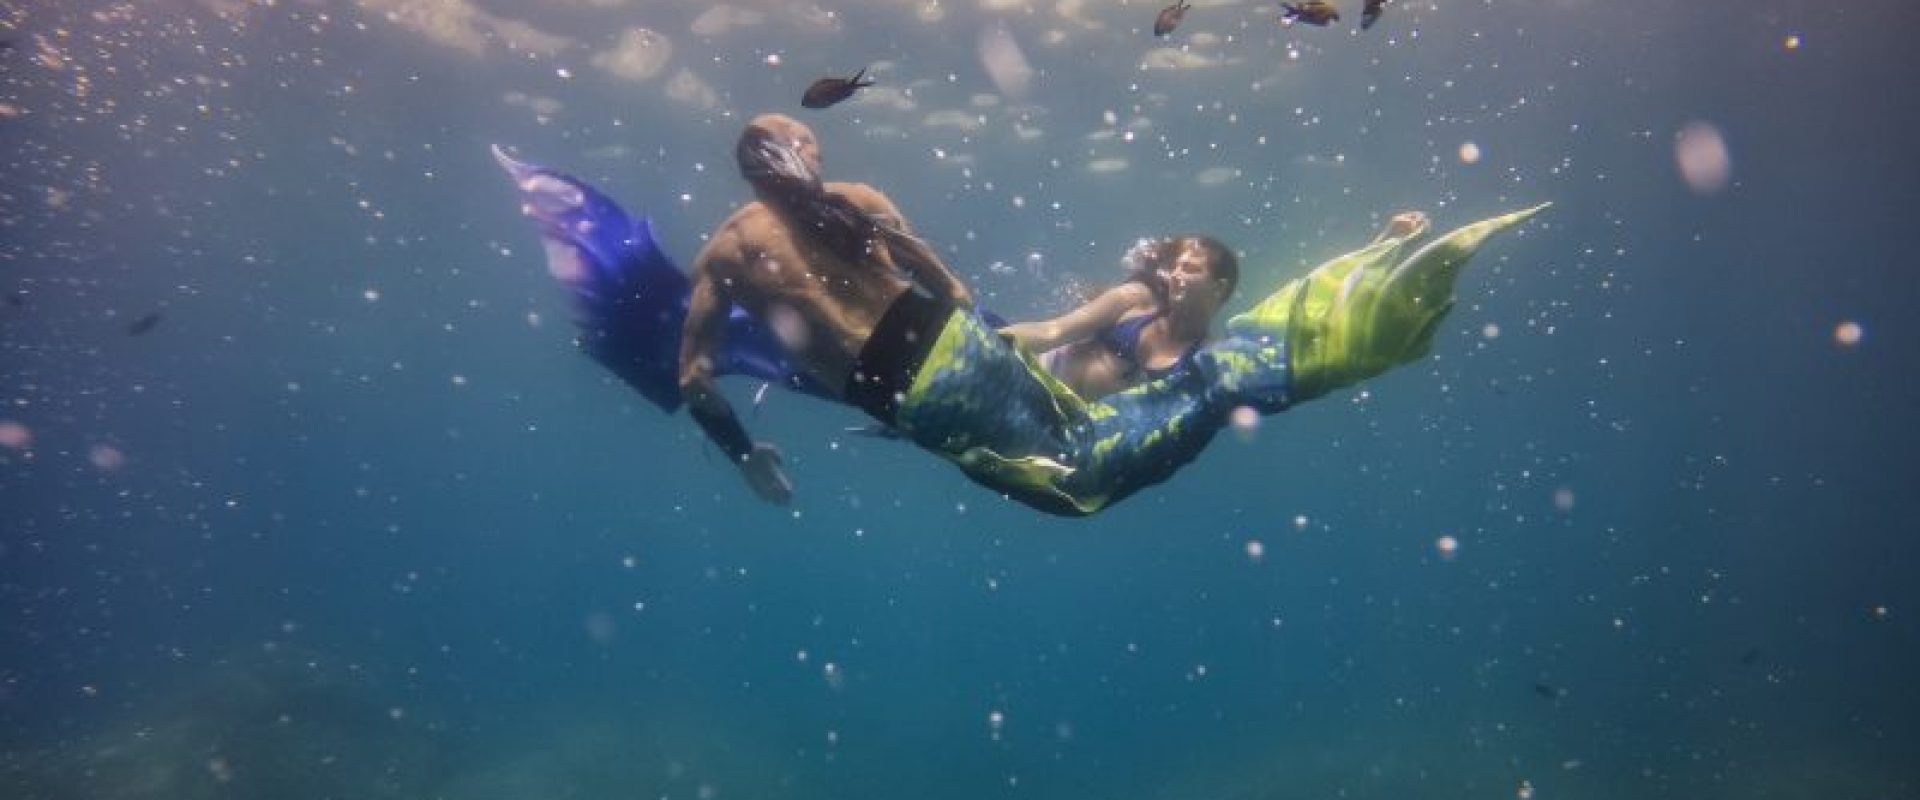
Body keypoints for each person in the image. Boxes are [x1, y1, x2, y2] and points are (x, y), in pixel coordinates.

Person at [668, 113, 1547, 516]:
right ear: (795, 158)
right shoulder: (848, 198)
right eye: (811, 150)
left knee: (1062, 469)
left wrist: (746, 456)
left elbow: (693, 378)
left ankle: (1306, 330)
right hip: (946, 344)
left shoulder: (717, 258)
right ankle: (1327, 330)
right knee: (1078, 463)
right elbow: (930, 266)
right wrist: (963, 302)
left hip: (898, 396)